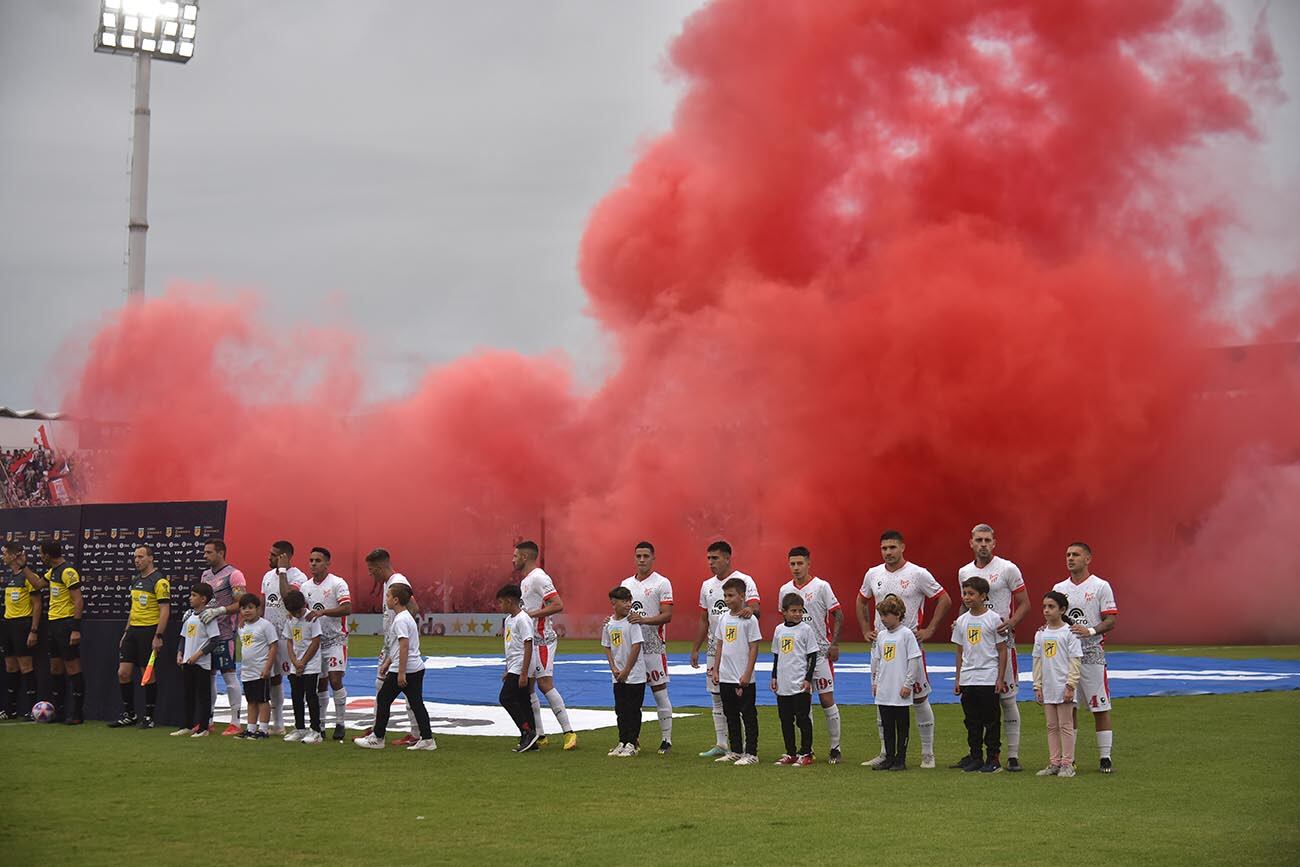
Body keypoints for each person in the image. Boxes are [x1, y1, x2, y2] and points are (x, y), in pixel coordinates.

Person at [856, 530, 951, 768]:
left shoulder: (918, 574)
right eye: (884, 548)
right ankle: (885, 752)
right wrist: (866, 628)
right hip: (881, 646)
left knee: (919, 698)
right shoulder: (873, 574)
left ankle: (928, 754)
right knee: (883, 699)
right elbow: (861, 600)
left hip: (909, 648)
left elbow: (944, 599)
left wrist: (929, 629)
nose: (888, 552)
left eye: (892, 547)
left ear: (902, 547)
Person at [957, 524, 1031, 771]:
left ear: (994, 543)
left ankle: (1011, 755)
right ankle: (975, 753)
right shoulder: (964, 571)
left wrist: (1011, 623)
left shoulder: (1007, 569)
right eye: (979, 540)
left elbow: (1024, 603)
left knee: (1007, 699)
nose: (983, 544)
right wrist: (958, 624)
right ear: (971, 543)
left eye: (987, 540)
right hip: (975, 644)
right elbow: (964, 603)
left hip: (1001, 642)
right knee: (974, 705)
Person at [690, 540, 761, 758]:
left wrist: (750, 609)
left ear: (728, 558)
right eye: (709, 558)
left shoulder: (745, 580)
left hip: (737, 649)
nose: (711, 562)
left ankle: (744, 748)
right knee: (717, 695)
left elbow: (755, 607)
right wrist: (696, 648)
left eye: (715, 558)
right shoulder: (707, 585)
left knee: (740, 699)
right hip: (716, 648)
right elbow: (704, 619)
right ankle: (723, 744)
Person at [1053, 542, 1119, 774]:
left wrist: (1089, 631)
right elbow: (1055, 617)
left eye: (1076, 555)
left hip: (1092, 653)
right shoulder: (1059, 588)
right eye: (1068, 554)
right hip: (1067, 656)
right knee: (1068, 707)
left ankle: (1105, 757)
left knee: (1100, 707)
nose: (1070, 558)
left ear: (1088, 558)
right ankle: (1069, 758)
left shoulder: (1101, 586)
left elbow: (1110, 620)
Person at [776, 546, 844, 763]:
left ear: (808, 563)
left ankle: (835, 747)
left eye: (800, 563)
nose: (796, 568)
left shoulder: (822, 586)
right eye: (792, 564)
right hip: (795, 658)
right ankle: (808, 750)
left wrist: (834, 644)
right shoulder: (784, 590)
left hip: (820, 654)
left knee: (826, 699)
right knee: (802, 703)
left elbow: (838, 615)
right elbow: (784, 623)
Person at [354, 583, 436, 751]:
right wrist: (387, 662)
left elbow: (404, 646)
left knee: (383, 699)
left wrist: (400, 672)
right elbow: (399, 647)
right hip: (416, 668)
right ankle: (427, 739)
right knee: (416, 704)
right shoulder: (407, 617)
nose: (386, 600)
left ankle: (378, 737)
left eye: (388, 596)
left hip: (406, 669)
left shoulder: (400, 620)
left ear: (396, 600)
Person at [514, 540, 577, 750]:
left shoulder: (539, 577)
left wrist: (531, 614)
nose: (513, 560)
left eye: (515, 556)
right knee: (529, 686)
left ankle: (569, 732)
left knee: (544, 684)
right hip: (531, 639)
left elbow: (558, 604)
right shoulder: (526, 580)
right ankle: (540, 734)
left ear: (525, 557)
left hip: (542, 639)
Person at [620, 541, 675, 754]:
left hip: (653, 647)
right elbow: (620, 612)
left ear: (653, 558)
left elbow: (667, 615)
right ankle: (632, 739)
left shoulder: (662, 583)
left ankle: (666, 740)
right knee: (632, 697)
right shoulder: (626, 583)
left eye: (645, 556)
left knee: (659, 693)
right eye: (638, 556)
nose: (641, 560)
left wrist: (642, 620)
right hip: (631, 648)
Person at [951, 575, 1009, 773]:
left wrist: (1000, 678)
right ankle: (975, 756)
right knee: (972, 721)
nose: (967, 598)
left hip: (988, 677)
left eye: (971, 594)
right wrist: (958, 678)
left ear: (983, 596)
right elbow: (960, 651)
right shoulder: (961, 621)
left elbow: (1002, 650)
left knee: (991, 721)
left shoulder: (994, 620)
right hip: (968, 678)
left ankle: (993, 758)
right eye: (964, 593)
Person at [109, 545, 170, 729]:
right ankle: (130, 714)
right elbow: (133, 609)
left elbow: (165, 610)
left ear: (151, 558)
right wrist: (126, 632)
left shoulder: (160, 582)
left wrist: (158, 635)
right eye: (135, 557)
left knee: (147, 674)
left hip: (149, 630)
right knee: (123, 673)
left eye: (141, 556)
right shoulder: (135, 580)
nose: (137, 560)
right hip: (133, 631)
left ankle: (149, 717)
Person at [365, 548, 419, 745]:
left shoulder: (398, 582)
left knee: (402, 688)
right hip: (390, 645)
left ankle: (412, 733)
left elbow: (414, 608)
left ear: (380, 567)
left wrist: (401, 636)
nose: (370, 574)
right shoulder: (390, 583)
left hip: (397, 646)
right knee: (384, 686)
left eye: (371, 570)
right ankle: (378, 729)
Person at [707, 576, 762, 765]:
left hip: (743, 677)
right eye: (725, 595)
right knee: (730, 715)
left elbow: (754, 647)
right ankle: (736, 750)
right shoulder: (723, 617)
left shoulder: (750, 620)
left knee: (747, 715)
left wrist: (747, 673)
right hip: (726, 676)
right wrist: (716, 669)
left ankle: (752, 753)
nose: (727, 599)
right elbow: (720, 645)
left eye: (731, 595)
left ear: (742, 596)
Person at [868, 594, 923, 770]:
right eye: (881, 616)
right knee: (887, 725)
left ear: (898, 614)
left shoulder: (906, 634)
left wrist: (908, 684)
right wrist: (876, 682)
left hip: (900, 689)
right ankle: (889, 757)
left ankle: (901, 758)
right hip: (884, 689)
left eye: (886, 615)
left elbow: (914, 661)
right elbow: (878, 661)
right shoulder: (882, 636)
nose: (883, 619)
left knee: (902, 725)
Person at [303, 546, 352, 742]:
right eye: (311, 560)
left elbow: (347, 608)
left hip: (336, 640)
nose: (313, 563)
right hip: (316, 642)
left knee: (334, 680)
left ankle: (340, 723)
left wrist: (323, 612)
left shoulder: (337, 583)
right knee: (319, 683)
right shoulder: (305, 587)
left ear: (327, 563)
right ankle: (321, 724)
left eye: (318, 560)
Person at [199, 538, 247, 736]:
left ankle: (235, 722)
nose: (205, 556)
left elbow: (242, 603)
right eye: (205, 552)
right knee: (208, 676)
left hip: (226, 632)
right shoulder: (205, 575)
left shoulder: (234, 575)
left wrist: (220, 610)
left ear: (220, 553)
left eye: (209, 552)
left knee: (228, 674)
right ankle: (207, 719)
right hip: (207, 632)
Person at [1033, 590, 1083, 778]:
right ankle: (1054, 763)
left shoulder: (1069, 633)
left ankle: (1067, 764)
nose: (1046, 610)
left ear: (1062, 609)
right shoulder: (1040, 634)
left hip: (1063, 687)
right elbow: (1037, 660)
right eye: (1044, 606)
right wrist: (1037, 686)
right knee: (1051, 726)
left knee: (1065, 725)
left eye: (1051, 607)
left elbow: (1075, 660)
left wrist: (1071, 685)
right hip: (1048, 687)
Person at [260, 540, 306, 735]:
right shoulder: (267, 576)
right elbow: (263, 603)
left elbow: (287, 596)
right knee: (274, 678)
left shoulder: (299, 576)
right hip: (271, 636)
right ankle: (278, 724)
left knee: (296, 678)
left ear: (284, 557)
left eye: (273, 555)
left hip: (291, 636)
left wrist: (283, 571)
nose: (268, 558)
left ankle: (300, 724)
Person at [770, 593, 818, 766]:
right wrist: (774, 676)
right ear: (784, 611)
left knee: (802, 719)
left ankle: (806, 753)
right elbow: (777, 656)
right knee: (785, 720)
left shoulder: (806, 629)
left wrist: (808, 679)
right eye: (793, 611)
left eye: (800, 611)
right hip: (784, 683)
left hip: (799, 684)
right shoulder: (779, 630)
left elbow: (812, 655)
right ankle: (790, 752)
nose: (797, 614)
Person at [40, 541, 84, 724]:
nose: (41, 557)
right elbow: (36, 584)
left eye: (42, 554)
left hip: (66, 624)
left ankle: (77, 714)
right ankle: (58, 711)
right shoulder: (52, 572)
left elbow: (78, 601)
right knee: (55, 667)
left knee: (72, 667)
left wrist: (75, 629)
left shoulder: (68, 572)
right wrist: (22, 565)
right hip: (53, 623)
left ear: (48, 555)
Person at [1, 542, 45, 720]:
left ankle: (33, 709)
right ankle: (10, 709)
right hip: (7, 625)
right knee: (10, 666)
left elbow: (37, 605)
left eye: (4, 554)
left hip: (23, 625)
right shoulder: (11, 576)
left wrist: (33, 630)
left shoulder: (29, 577)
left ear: (13, 556)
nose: (2, 557)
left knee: (26, 666)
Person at [602, 586, 646, 757]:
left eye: (630, 601)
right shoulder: (608, 624)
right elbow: (607, 646)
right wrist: (613, 668)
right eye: (624, 601)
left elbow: (636, 646)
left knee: (633, 709)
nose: (628, 605)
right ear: (613, 603)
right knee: (620, 709)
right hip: (617, 675)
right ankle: (622, 741)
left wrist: (626, 670)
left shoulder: (632, 623)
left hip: (634, 674)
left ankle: (632, 743)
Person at [496, 583, 540, 753]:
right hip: (514, 665)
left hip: (522, 665)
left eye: (501, 602)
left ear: (509, 601)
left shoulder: (523, 619)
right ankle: (531, 738)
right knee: (523, 701)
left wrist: (523, 673)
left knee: (505, 697)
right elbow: (511, 646)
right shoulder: (509, 620)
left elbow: (528, 645)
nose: (499, 606)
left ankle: (526, 731)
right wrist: (508, 668)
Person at [173, 583, 221, 738]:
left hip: (201, 663)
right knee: (188, 695)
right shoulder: (188, 616)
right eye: (191, 595)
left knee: (203, 696)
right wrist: (180, 652)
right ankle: (187, 725)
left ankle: (204, 728)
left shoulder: (207, 617)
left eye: (194, 595)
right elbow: (183, 637)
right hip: (187, 661)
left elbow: (214, 641)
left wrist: (198, 655)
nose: (190, 598)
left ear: (203, 599)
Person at [283, 589, 324, 744]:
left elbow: (315, 642)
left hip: (311, 664)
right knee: (296, 696)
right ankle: (300, 728)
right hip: (296, 664)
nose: (297, 614)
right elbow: (289, 641)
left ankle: (316, 730)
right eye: (293, 612)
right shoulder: (290, 619)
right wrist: (294, 661)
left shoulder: (312, 619)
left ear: (304, 605)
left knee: (311, 696)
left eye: (298, 611)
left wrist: (303, 662)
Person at [236, 593, 278, 739]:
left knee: (262, 700)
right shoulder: (241, 627)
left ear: (258, 609)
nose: (247, 611)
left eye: (250, 608)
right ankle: (251, 728)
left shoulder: (265, 625)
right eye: (243, 608)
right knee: (251, 700)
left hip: (261, 670)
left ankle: (264, 729)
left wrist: (267, 667)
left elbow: (273, 646)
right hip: (247, 671)